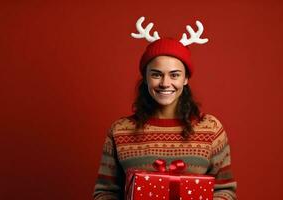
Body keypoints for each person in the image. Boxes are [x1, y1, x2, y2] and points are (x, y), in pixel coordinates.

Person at [93, 17, 237, 200]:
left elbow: (226, 191)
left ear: (185, 79)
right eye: (156, 74)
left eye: (174, 75)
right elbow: (104, 193)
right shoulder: (120, 130)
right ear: (145, 78)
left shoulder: (211, 129)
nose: (165, 83)